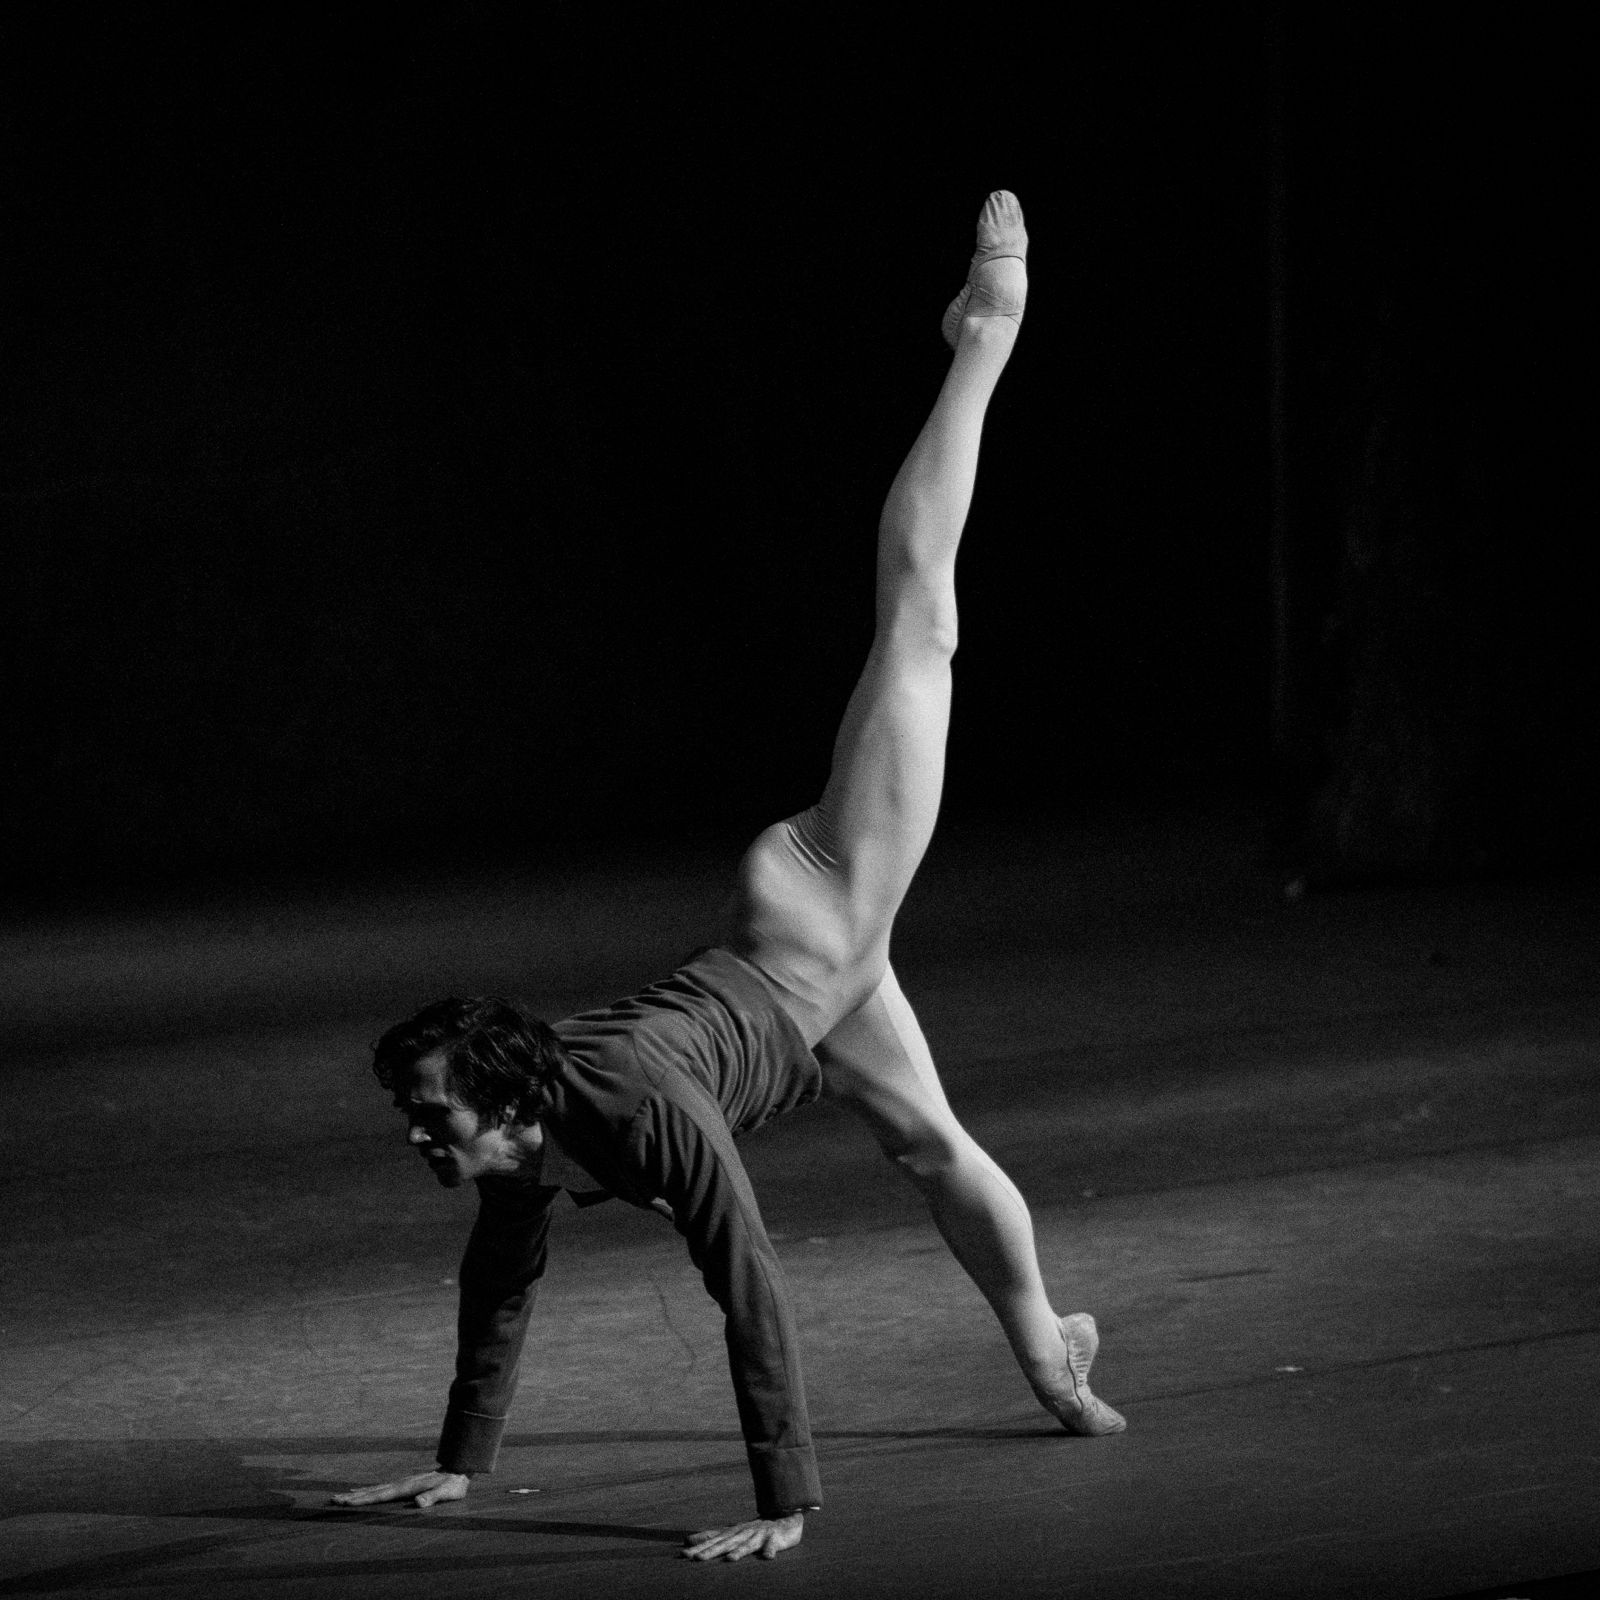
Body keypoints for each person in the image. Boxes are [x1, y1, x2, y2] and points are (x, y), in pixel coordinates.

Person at [331, 191, 1125, 1563]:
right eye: (415, 1113)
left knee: (921, 623)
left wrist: (785, 1501)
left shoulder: (637, 1113)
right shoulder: (523, 1150)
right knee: (933, 1148)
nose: (415, 1133)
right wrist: (458, 1463)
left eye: (428, 1110)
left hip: (822, 903)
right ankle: (1053, 1354)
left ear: (502, 1104)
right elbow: (498, 1288)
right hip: (820, 993)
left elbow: (745, 1275)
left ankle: (985, 338)